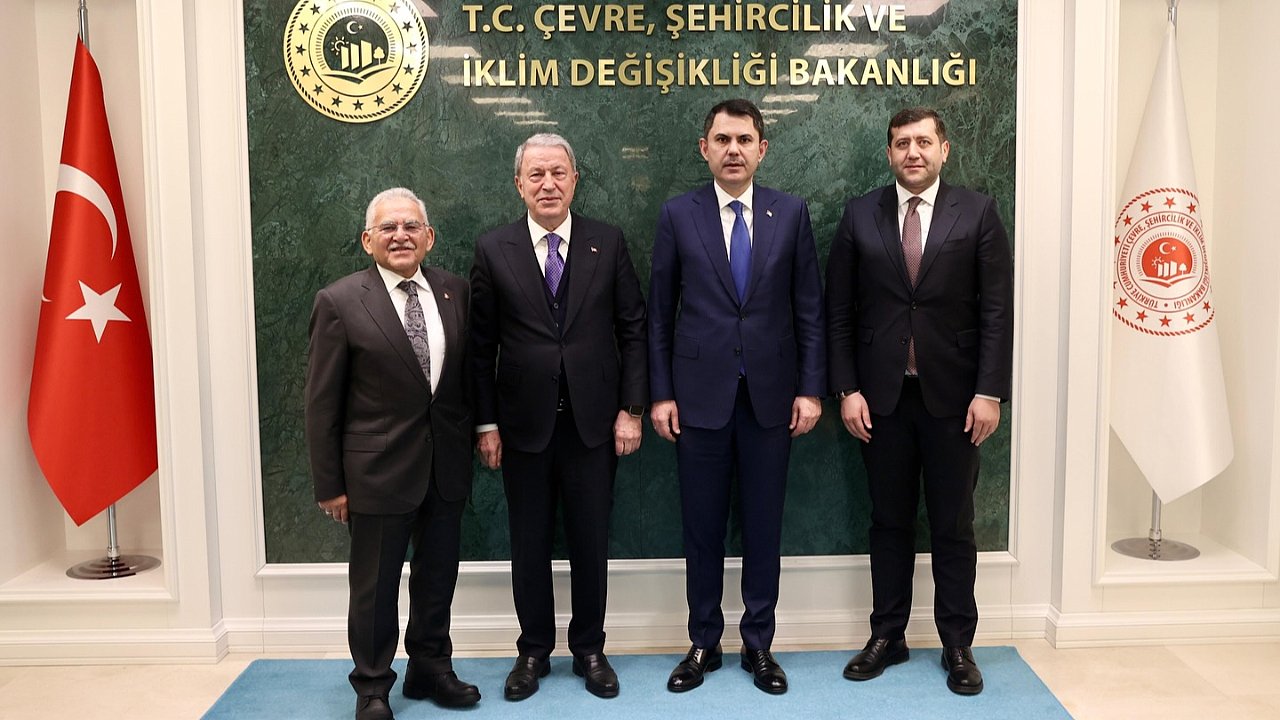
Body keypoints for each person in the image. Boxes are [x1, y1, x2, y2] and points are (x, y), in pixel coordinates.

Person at [825, 107, 1014, 696]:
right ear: (889, 153)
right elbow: (838, 312)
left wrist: (989, 391)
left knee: (954, 524)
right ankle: (888, 635)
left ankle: (957, 643)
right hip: (880, 401)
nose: (913, 152)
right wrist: (847, 389)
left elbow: (996, 311)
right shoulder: (860, 214)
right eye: (902, 143)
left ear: (943, 150)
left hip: (957, 401)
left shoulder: (978, 212)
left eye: (924, 142)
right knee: (889, 521)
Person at [648, 98, 826, 696]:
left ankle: (759, 644)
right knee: (701, 528)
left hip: (772, 400)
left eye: (744, 140)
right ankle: (703, 641)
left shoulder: (791, 212)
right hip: (697, 400)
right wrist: (661, 394)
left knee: (763, 527)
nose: (733, 150)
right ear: (705, 149)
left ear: (762, 149)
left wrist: (810, 388)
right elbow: (659, 315)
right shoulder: (678, 214)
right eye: (722, 140)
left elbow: (810, 309)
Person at [470, 133, 648, 701]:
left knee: (591, 541)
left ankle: (590, 648)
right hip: (521, 426)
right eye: (536, 175)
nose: (548, 184)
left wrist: (632, 410)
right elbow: (480, 347)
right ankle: (532, 651)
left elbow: (633, 329)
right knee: (529, 542)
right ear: (518, 184)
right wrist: (486, 424)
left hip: (595, 423)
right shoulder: (493, 248)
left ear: (575, 180)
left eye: (558, 173)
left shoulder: (607, 241)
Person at [305, 188, 480, 720]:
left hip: (445, 466)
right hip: (374, 473)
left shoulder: (454, 291)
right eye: (388, 228)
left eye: (411, 226)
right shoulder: (339, 302)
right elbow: (321, 402)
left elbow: (464, 380)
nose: (400, 235)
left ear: (429, 237)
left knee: (437, 578)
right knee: (375, 588)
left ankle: (431, 667)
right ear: (368, 240)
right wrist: (330, 485)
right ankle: (373, 686)